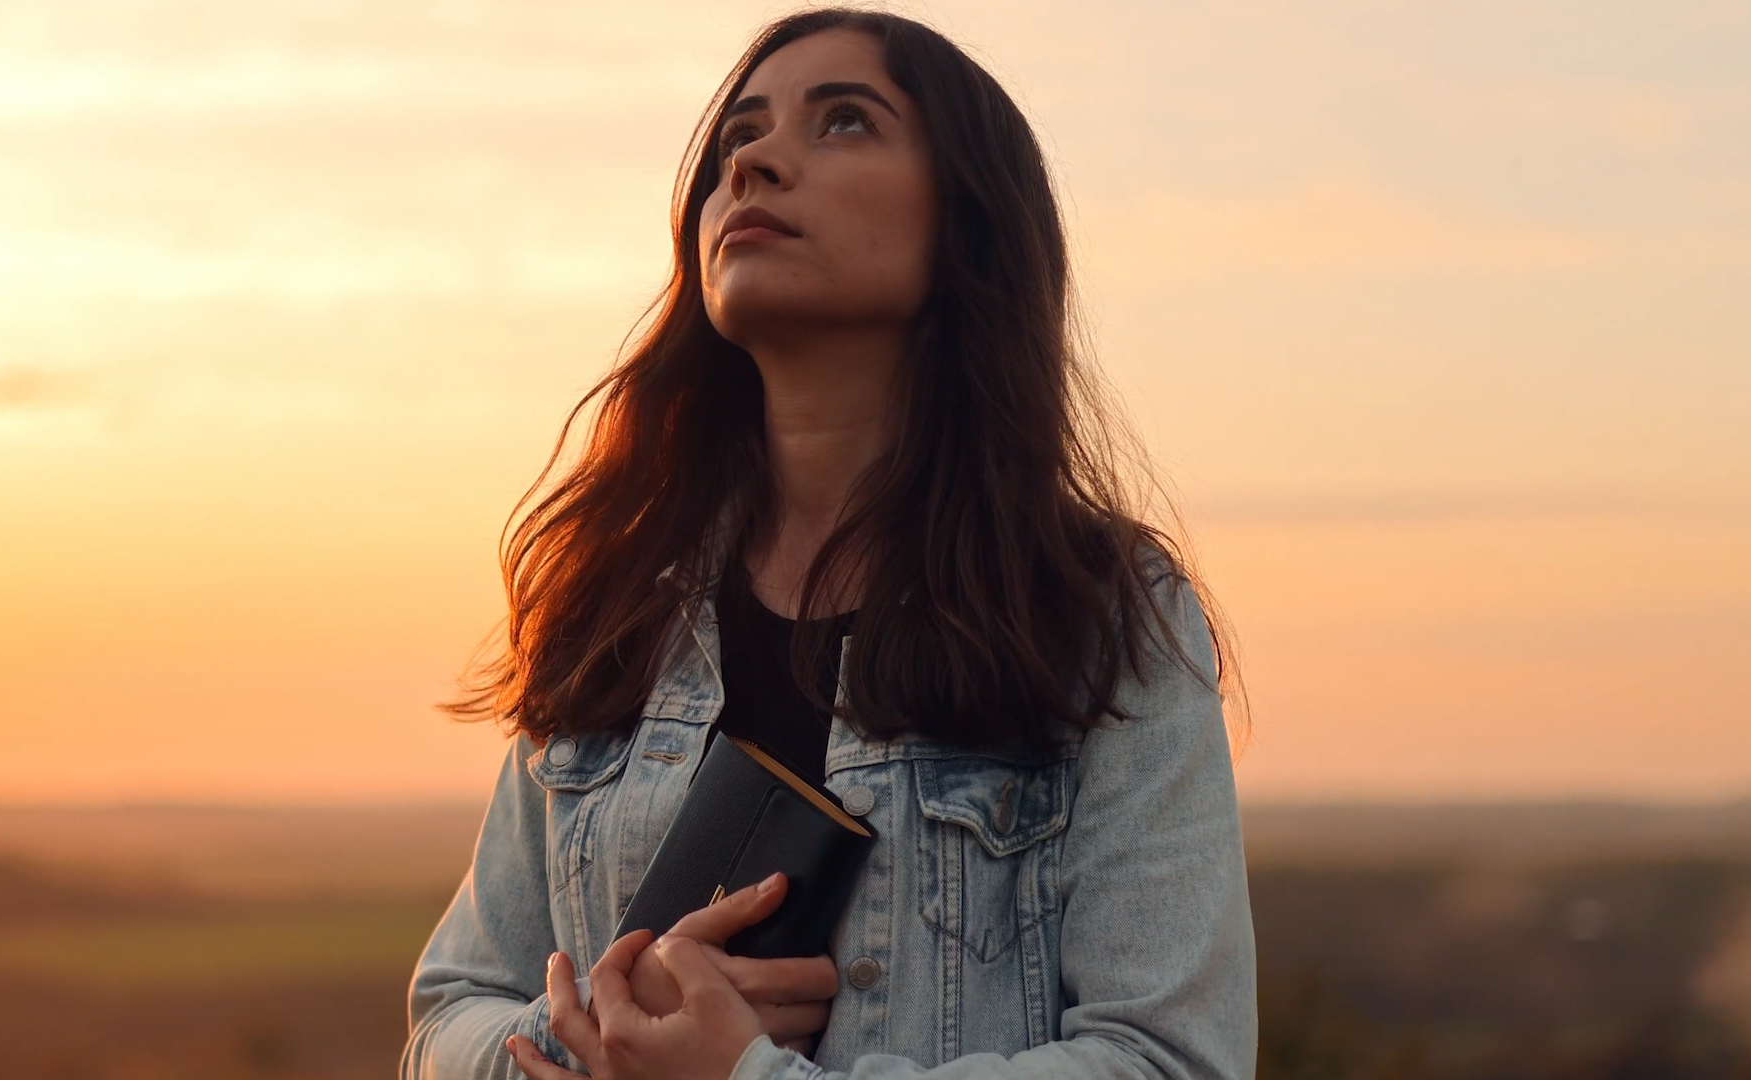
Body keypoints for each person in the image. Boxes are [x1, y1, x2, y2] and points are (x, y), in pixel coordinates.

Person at [400, 9, 1256, 1080]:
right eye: (736, 140)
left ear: (968, 224)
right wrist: (603, 1037)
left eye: (844, 122)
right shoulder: (622, 599)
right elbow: (450, 1015)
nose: (755, 160)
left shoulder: (1097, 610)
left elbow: (1169, 1059)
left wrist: (741, 1076)